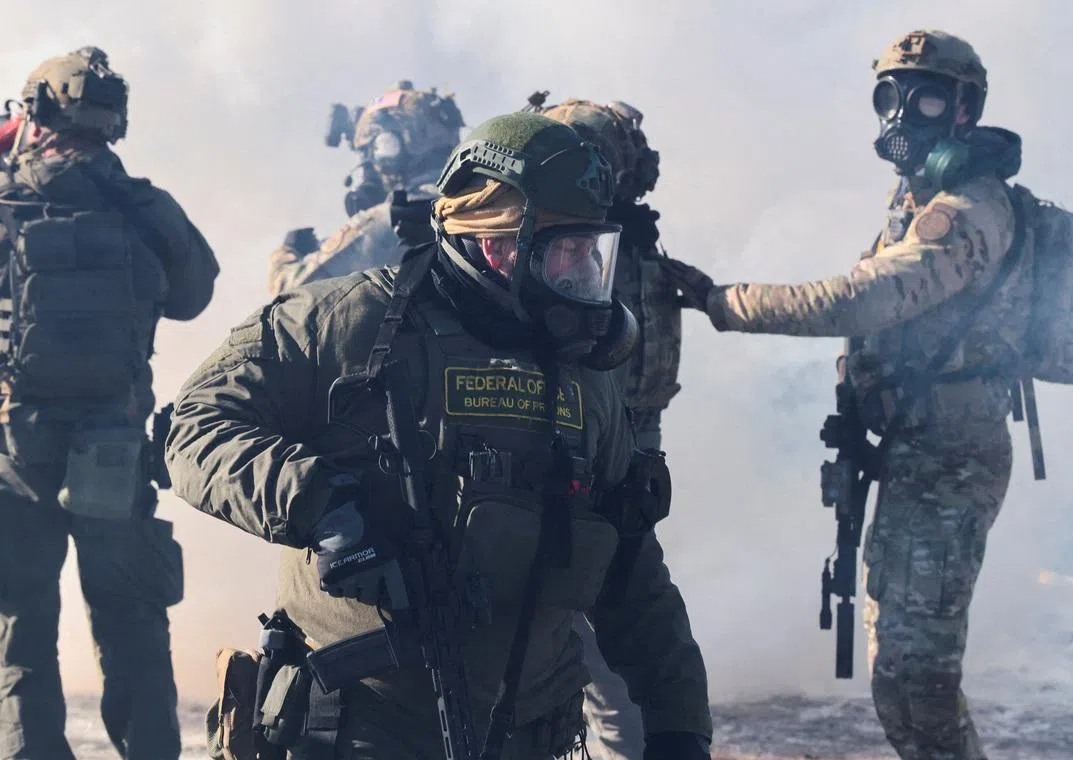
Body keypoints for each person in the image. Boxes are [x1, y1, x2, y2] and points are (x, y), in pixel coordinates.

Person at [168, 112, 711, 760]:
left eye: (592, 250)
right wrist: (320, 506)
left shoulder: (582, 372)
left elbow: (631, 567)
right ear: (496, 242)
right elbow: (194, 425)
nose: (585, 269)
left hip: (532, 737)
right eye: (567, 249)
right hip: (356, 730)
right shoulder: (346, 324)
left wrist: (681, 730)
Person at [662, 30, 1028, 760]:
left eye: (923, 96)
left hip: (948, 465)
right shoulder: (919, 197)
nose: (901, 115)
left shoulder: (969, 210)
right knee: (902, 680)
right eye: (890, 95)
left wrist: (724, 301)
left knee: (915, 683)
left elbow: (868, 300)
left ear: (964, 110)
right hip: (916, 458)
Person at [0, 46, 219, 759]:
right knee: (131, 622)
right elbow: (192, 296)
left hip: (14, 451)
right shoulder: (144, 207)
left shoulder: (7, 198)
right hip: (113, 452)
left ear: (34, 113)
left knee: (20, 628)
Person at [541, 97, 677, 760]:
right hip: (582, 456)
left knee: (605, 644)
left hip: (604, 460)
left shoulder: (609, 250)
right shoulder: (605, 249)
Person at [268, 81, 464, 297]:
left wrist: (286, 254)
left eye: (368, 153)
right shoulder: (475, 200)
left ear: (388, 150)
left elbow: (290, 290)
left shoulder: (392, 217)